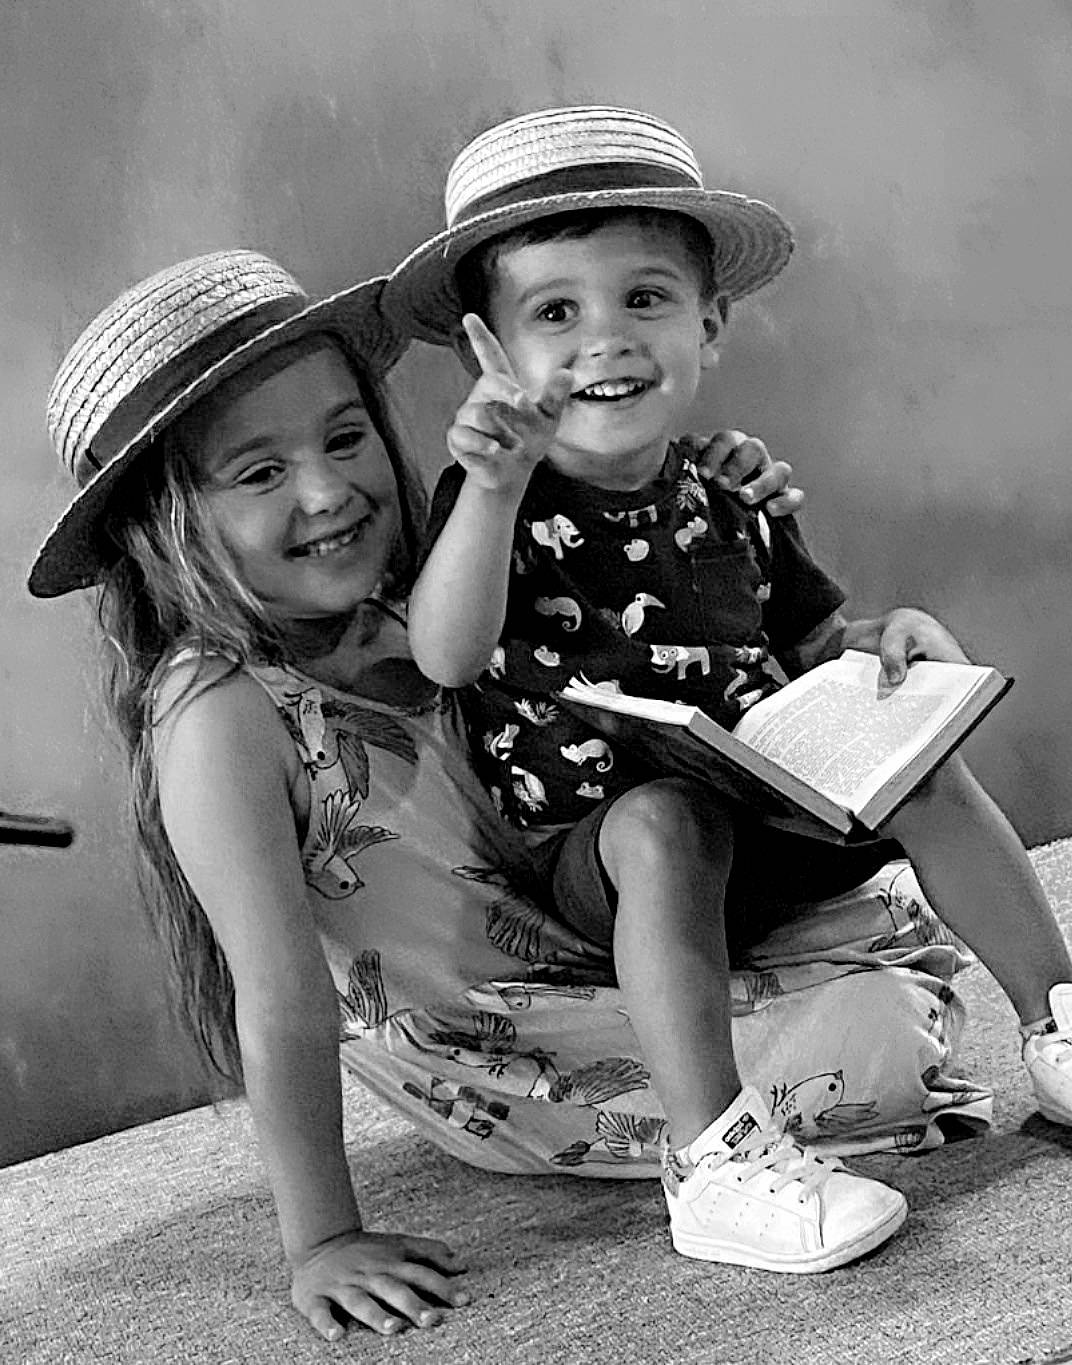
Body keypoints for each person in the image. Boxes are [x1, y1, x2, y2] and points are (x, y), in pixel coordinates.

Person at [28, 249, 987, 1340]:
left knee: (880, 923)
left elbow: (666, 634)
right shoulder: (215, 711)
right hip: (498, 1050)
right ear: (161, 529)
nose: (327, 492)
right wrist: (323, 1239)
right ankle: (718, 1156)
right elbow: (280, 995)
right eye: (258, 474)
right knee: (879, 1038)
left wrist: (708, 488)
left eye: (345, 438)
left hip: (604, 945)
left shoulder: (426, 599)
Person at [396, 105, 1072, 1275]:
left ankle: (1063, 1029)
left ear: (709, 323)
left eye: (644, 299)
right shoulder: (491, 497)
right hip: (607, 862)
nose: (605, 341)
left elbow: (812, 645)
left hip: (765, 818)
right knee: (663, 821)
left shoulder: (728, 491)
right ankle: (716, 1162)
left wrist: (889, 649)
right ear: (490, 352)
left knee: (919, 762)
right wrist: (488, 488)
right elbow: (446, 654)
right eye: (554, 314)